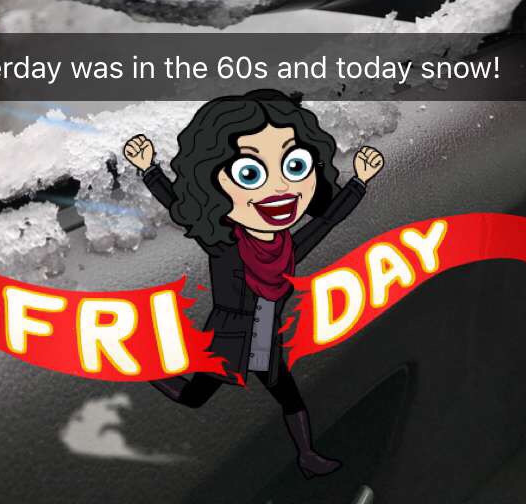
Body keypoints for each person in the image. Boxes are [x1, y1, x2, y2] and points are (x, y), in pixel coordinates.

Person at [123, 89, 384, 480]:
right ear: (211, 185)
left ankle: (307, 456)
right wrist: (150, 170)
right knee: (193, 397)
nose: (280, 188)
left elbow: (327, 220)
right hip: (230, 339)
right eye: (250, 173)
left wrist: (359, 183)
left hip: (266, 339)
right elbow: (181, 209)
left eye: (295, 165)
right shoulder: (224, 245)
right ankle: (146, 370)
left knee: (289, 397)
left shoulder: (287, 247)